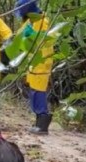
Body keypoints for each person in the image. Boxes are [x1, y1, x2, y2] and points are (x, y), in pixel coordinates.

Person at [15, 0, 53, 135]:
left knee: (38, 91)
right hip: (33, 62)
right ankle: (39, 121)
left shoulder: (43, 22)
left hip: (41, 61)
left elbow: (41, 41)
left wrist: (29, 35)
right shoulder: (30, 21)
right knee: (34, 90)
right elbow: (19, 37)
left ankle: (43, 122)